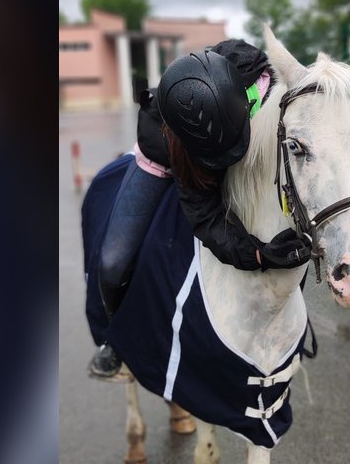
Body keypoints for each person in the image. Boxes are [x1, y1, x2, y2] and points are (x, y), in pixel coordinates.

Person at [88, 39, 312, 380]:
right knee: (113, 260)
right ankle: (115, 339)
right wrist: (256, 256)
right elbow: (204, 214)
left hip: (233, 146)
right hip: (166, 162)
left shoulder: (267, 87)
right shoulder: (179, 135)